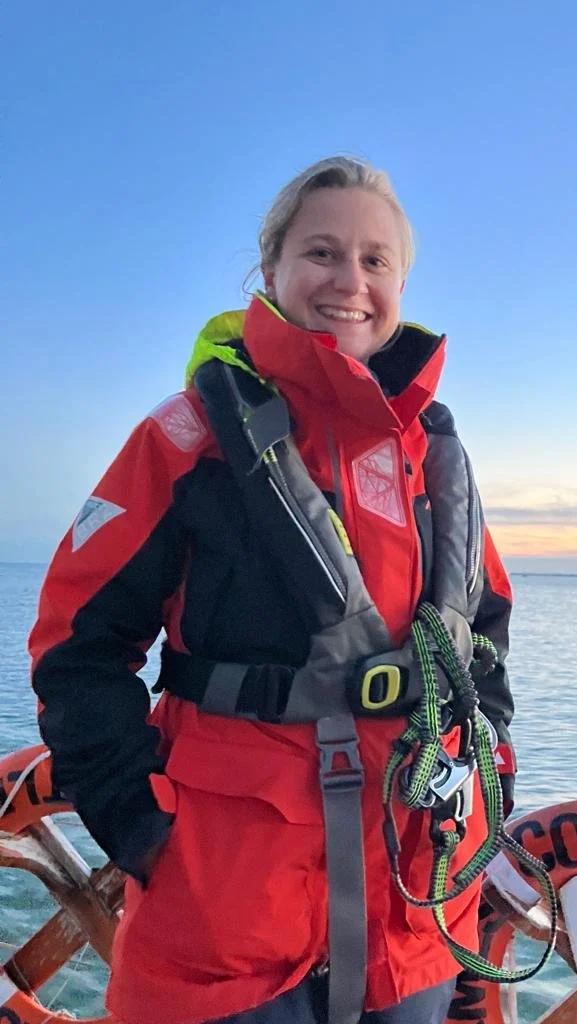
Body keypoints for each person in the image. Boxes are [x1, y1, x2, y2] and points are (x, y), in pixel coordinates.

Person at [29, 156, 516, 1024]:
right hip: (225, 924)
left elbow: (484, 640)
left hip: (416, 916)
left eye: (376, 261)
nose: (350, 282)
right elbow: (77, 645)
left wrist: (495, 783)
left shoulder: (435, 458)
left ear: (402, 280)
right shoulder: (186, 442)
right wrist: (145, 829)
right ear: (272, 273)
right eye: (322, 253)